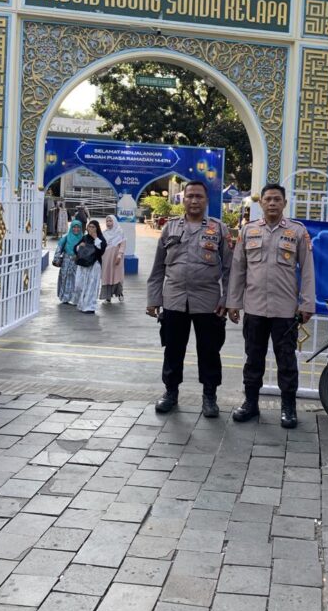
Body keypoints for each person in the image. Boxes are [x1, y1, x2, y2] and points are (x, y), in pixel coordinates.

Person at [227, 183, 316, 429]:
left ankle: (288, 408)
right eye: (268, 199)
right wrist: (233, 302)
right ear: (261, 203)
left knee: (286, 361)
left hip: (285, 310)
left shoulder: (297, 232)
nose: (273, 203)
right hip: (254, 308)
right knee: (253, 359)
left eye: (277, 199)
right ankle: (251, 404)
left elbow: (307, 270)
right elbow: (238, 269)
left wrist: (306, 303)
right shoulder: (248, 230)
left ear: (285, 203)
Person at [146, 180, 232, 418]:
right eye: (190, 196)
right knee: (173, 349)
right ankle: (170, 393)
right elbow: (157, 269)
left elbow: (229, 269)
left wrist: (227, 299)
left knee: (209, 350)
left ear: (206, 200)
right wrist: (153, 299)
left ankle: (210, 397)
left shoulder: (219, 229)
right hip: (174, 299)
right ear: (183, 200)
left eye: (199, 197)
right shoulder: (170, 228)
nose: (194, 201)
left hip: (208, 301)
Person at [72, 220, 107, 313]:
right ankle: (82, 304)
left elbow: (101, 251)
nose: (91, 229)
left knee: (91, 286)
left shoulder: (100, 239)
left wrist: (96, 239)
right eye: (89, 226)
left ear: (97, 228)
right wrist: (79, 246)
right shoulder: (84, 238)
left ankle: (90, 307)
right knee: (79, 285)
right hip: (83, 265)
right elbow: (75, 249)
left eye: (93, 227)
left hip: (94, 265)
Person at [56, 220, 83, 304]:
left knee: (76, 280)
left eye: (78, 227)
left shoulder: (83, 238)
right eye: (74, 227)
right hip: (66, 261)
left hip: (77, 262)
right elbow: (59, 248)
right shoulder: (66, 237)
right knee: (65, 279)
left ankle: (75, 299)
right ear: (71, 228)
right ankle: (65, 297)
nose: (76, 229)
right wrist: (56, 259)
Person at [100, 215, 126, 302]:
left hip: (116, 258)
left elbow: (122, 245)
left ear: (114, 221)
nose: (108, 223)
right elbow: (100, 245)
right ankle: (108, 296)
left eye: (110, 221)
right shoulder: (104, 233)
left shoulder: (119, 232)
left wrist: (119, 256)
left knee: (117, 276)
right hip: (106, 258)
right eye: (107, 221)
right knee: (107, 275)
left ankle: (119, 293)